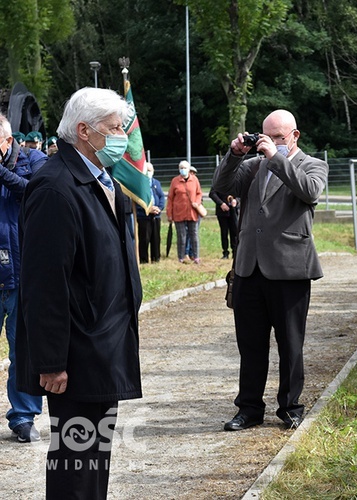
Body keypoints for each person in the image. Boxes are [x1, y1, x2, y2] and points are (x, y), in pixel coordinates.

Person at [15, 87, 142, 498]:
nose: (122, 134)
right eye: (115, 127)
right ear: (84, 131)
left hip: (103, 345)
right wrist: (51, 362)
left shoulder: (101, 179)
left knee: (93, 463)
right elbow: (44, 283)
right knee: (76, 468)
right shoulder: (55, 187)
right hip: (76, 354)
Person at [213, 109, 328, 430]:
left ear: (295, 136)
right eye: (268, 136)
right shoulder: (252, 167)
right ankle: (248, 408)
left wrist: (275, 158)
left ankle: (290, 406)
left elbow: (309, 191)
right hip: (249, 267)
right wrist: (235, 154)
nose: (273, 142)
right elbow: (221, 187)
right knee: (250, 345)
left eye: (280, 137)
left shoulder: (313, 165)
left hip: (290, 268)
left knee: (290, 344)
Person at [0, 114, 46, 443]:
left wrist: (2, 174)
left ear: (6, 141)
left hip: (22, 274)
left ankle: (23, 416)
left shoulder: (33, 159)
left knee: (23, 352)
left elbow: (39, 195)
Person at [166, 160, 202, 264]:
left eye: (185, 168)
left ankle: (196, 257)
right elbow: (170, 198)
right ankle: (181, 257)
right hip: (179, 213)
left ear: (189, 169)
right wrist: (169, 213)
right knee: (181, 236)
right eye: (181, 168)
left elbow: (199, 193)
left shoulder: (194, 180)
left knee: (194, 235)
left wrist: (197, 202)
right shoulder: (175, 181)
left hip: (192, 212)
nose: (183, 170)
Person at [136, 162, 166, 263]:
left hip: (156, 215)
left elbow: (161, 196)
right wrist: (148, 209)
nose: (148, 172)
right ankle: (143, 259)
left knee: (156, 238)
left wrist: (159, 208)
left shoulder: (156, 183)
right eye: (146, 170)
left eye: (150, 170)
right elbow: (137, 200)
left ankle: (156, 258)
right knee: (144, 238)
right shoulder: (139, 184)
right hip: (144, 215)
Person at [209, 186, 238, 259]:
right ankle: (225, 252)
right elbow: (212, 193)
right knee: (224, 232)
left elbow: (241, 193)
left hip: (233, 211)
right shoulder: (219, 180)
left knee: (234, 231)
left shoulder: (237, 179)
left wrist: (236, 200)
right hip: (222, 211)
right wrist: (221, 203)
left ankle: (235, 252)